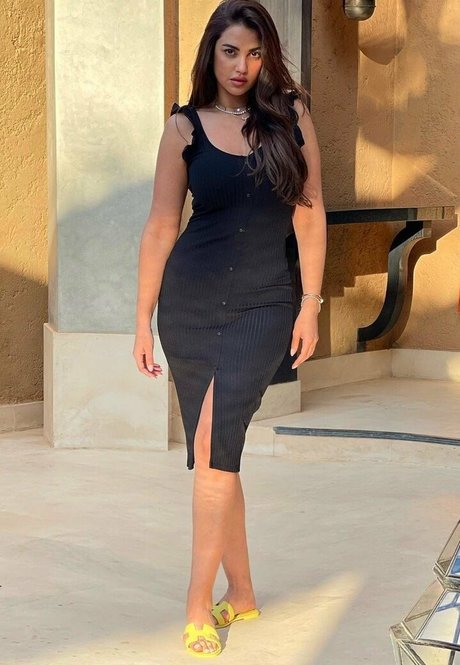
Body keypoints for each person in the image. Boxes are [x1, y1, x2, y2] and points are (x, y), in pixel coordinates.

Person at [133, 0, 326, 657]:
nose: (242, 66)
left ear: (268, 56)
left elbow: (309, 213)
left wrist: (310, 303)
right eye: (230, 51)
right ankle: (239, 594)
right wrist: (141, 318)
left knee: (215, 442)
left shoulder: (291, 116)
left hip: (265, 305)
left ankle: (196, 605)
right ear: (210, 53)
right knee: (220, 452)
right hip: (189, 303)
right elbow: (162, 225)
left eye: (255, 52)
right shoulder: (183, 127)